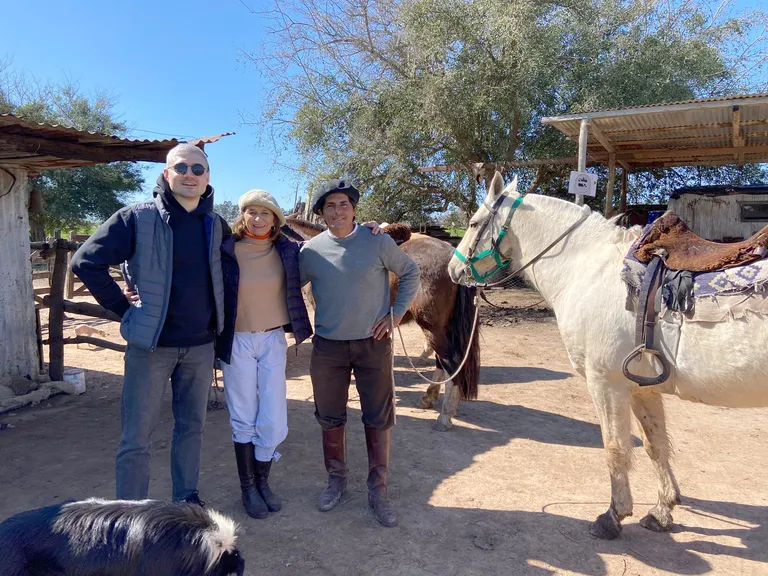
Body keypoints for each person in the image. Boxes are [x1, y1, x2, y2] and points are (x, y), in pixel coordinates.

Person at [71, 143, 227, 506]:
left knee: (192, 428)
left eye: (198, 169)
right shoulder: (136, 218)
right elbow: (86, 262)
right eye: (182, 168)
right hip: (150, 347)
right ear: (166, 174)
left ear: (207, 177)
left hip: (201, 346)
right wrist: (123, 311)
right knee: (136, 435)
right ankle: (130, 510)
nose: (190, 175)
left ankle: (186, 498)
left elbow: (259, 248)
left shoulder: (215, 225)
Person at [299, 179, 420, 527]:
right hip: (328, 347)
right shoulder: (311, 252)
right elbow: (288, 286)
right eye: (330, 206)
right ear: (320, 213)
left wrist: (395, 315)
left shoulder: (376, 241)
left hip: (373, 345)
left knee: (378, 416)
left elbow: (410, 271)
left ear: (354, 209)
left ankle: (378, 488)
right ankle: (336, 481)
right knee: (330, 416)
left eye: (344, 204)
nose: (338, 211)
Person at [215, 189, 313, 519]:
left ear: (276, 220)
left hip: (272, 340)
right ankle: (248, 488)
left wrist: (373, 228)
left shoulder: (288, 251)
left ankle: (263, 481)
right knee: (243, 415)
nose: (257, 218)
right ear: (243, 215)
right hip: (237, 341)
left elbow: (332, 244)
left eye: (265, 213)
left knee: (273, 419)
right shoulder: (225, 250)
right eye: (252, 211)